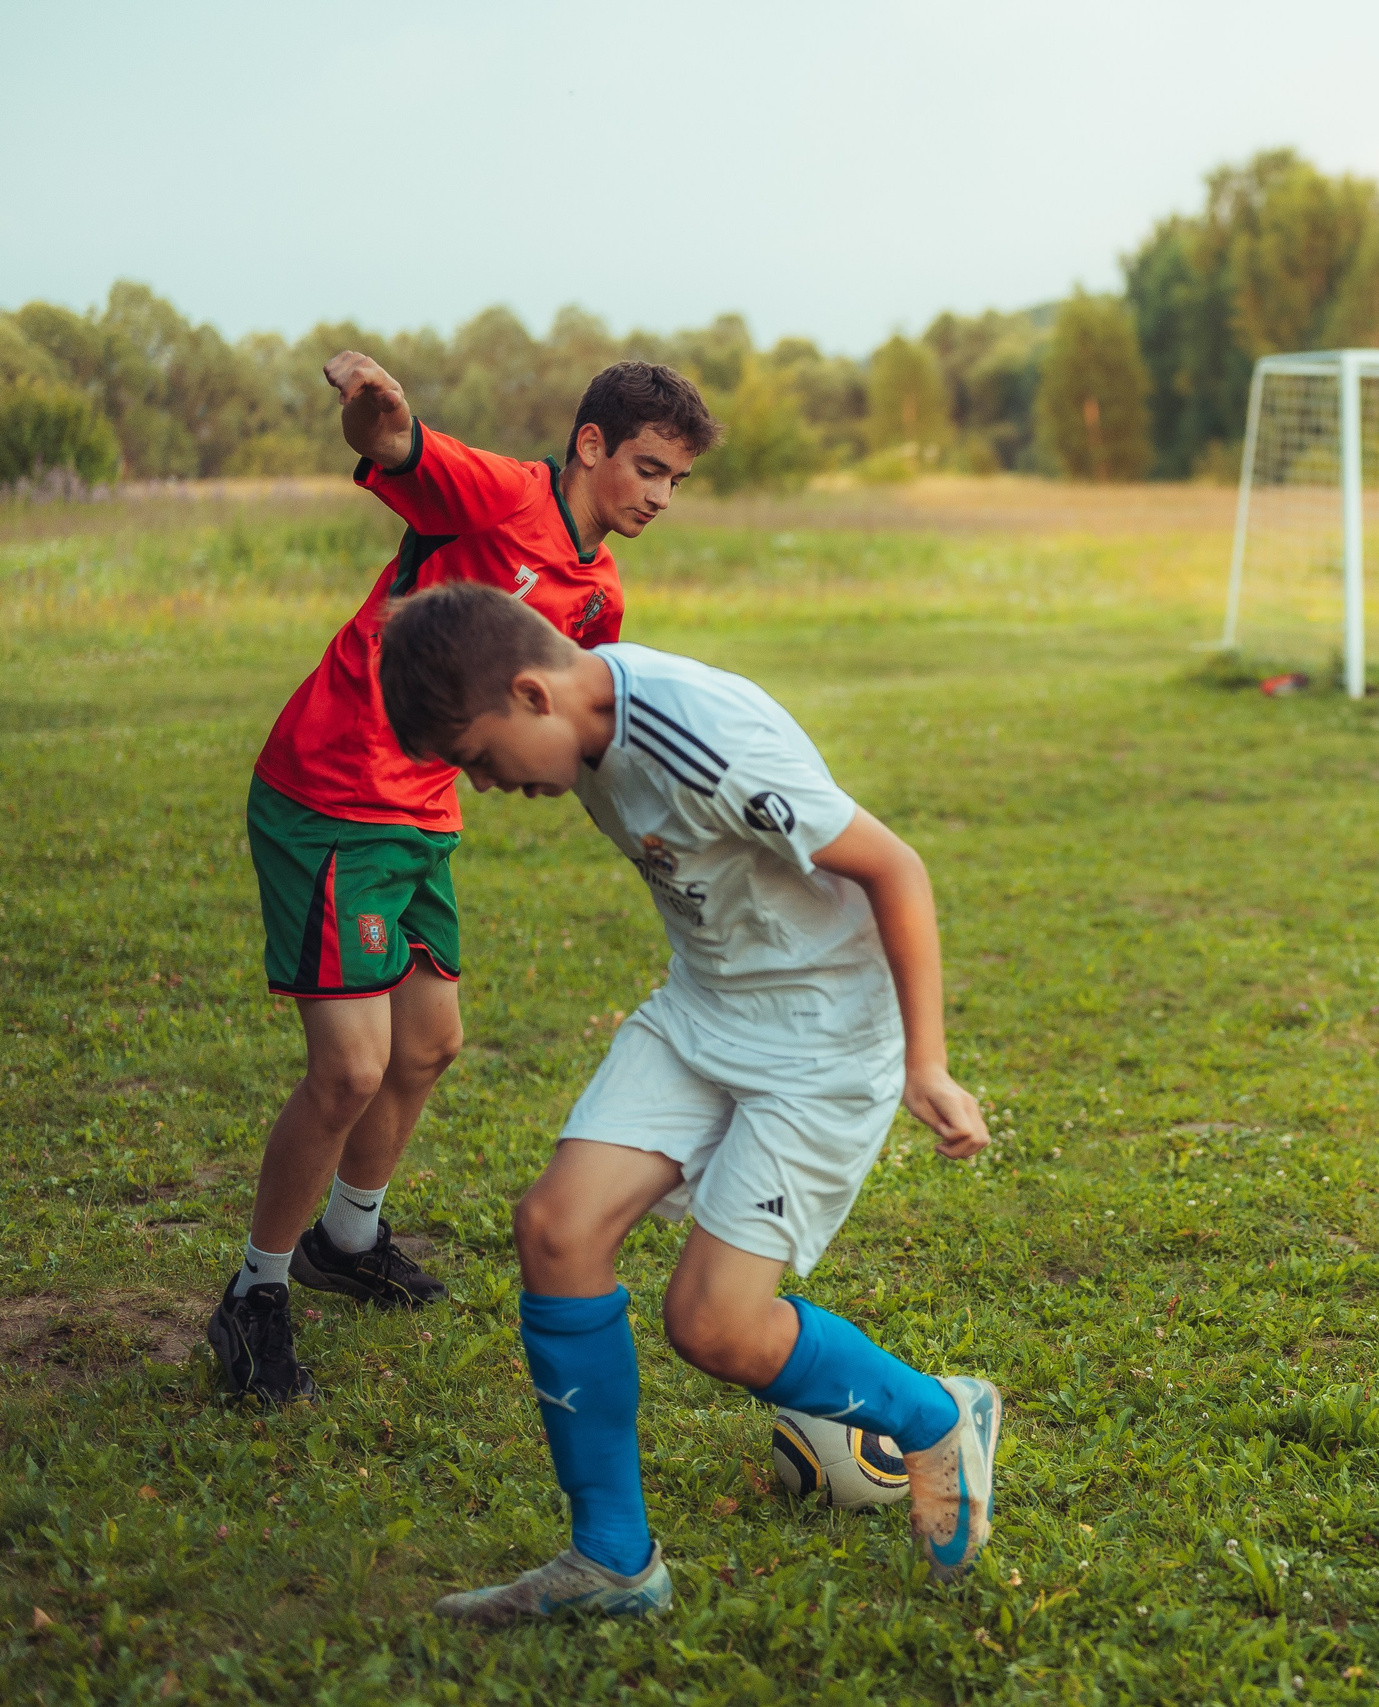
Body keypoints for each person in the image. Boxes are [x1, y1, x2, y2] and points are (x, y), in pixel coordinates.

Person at [375, 583, 1002, 1623]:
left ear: (533, 695)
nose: (484, 786)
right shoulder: (575, 724)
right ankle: (613, 1561)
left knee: (713, 1326)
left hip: (822, 1036)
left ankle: (937, 1417)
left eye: (480, 759)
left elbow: (896, 869)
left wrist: (925, 1067)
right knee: (556, 1230)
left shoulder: (707, 744)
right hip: (704, 1011)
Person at [208, 354, 721, 1408]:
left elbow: (575, 726)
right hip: (334, 794)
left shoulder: (598, 593)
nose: (661, 497)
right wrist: (379, 416)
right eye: (650, 470)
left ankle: (345, 1240)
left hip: (423, 813)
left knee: (430, 1043)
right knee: (350, 1069)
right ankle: (254, 1293)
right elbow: (396, 450)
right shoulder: (499, 495)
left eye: (676, 480)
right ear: (591, 446)